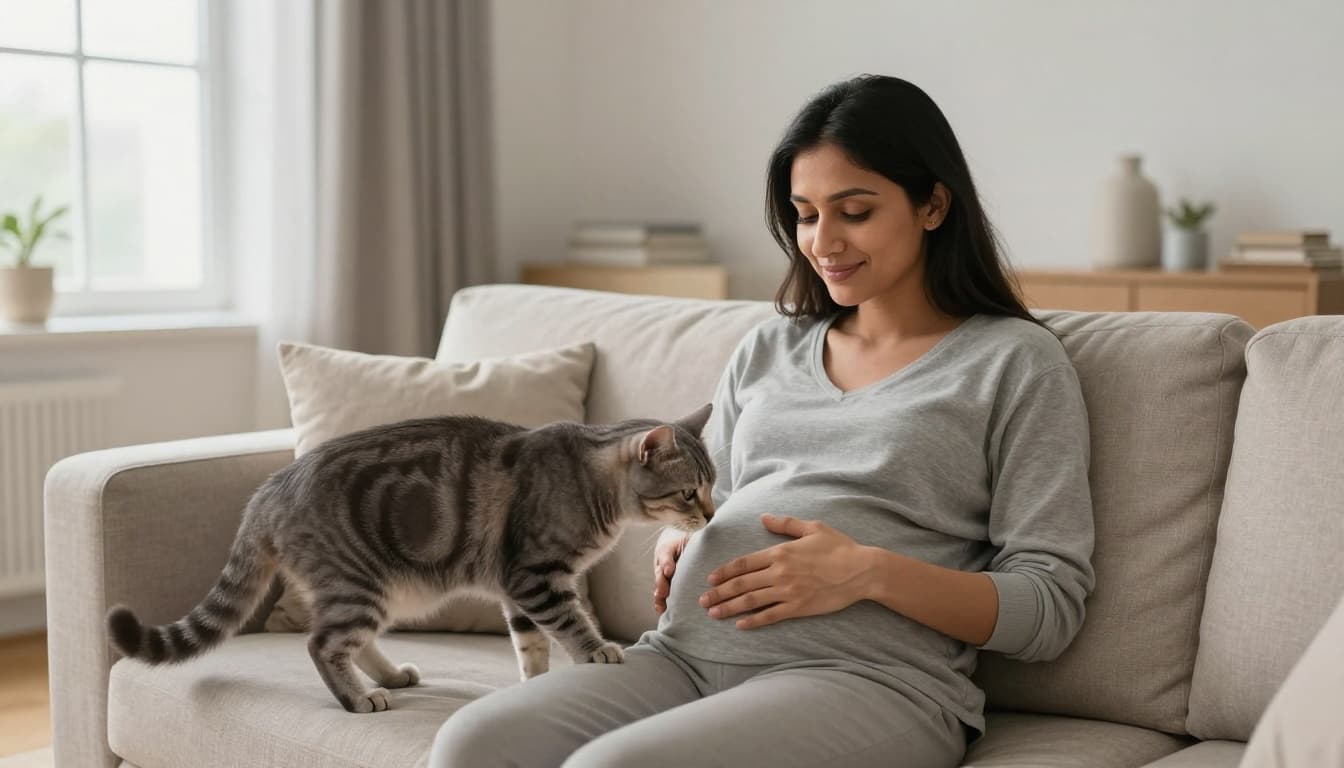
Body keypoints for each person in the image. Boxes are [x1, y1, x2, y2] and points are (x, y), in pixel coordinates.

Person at [429, 74, 1095, 768]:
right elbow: (733, 495)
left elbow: (1049, 608)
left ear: (932, 205)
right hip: (681, 657)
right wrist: (686, 541)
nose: (822, 241)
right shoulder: (770, 347)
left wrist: (865, 573)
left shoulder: (1014, 363)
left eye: (855, 211)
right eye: (806, 214)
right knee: (472, 744)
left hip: (868, 681)